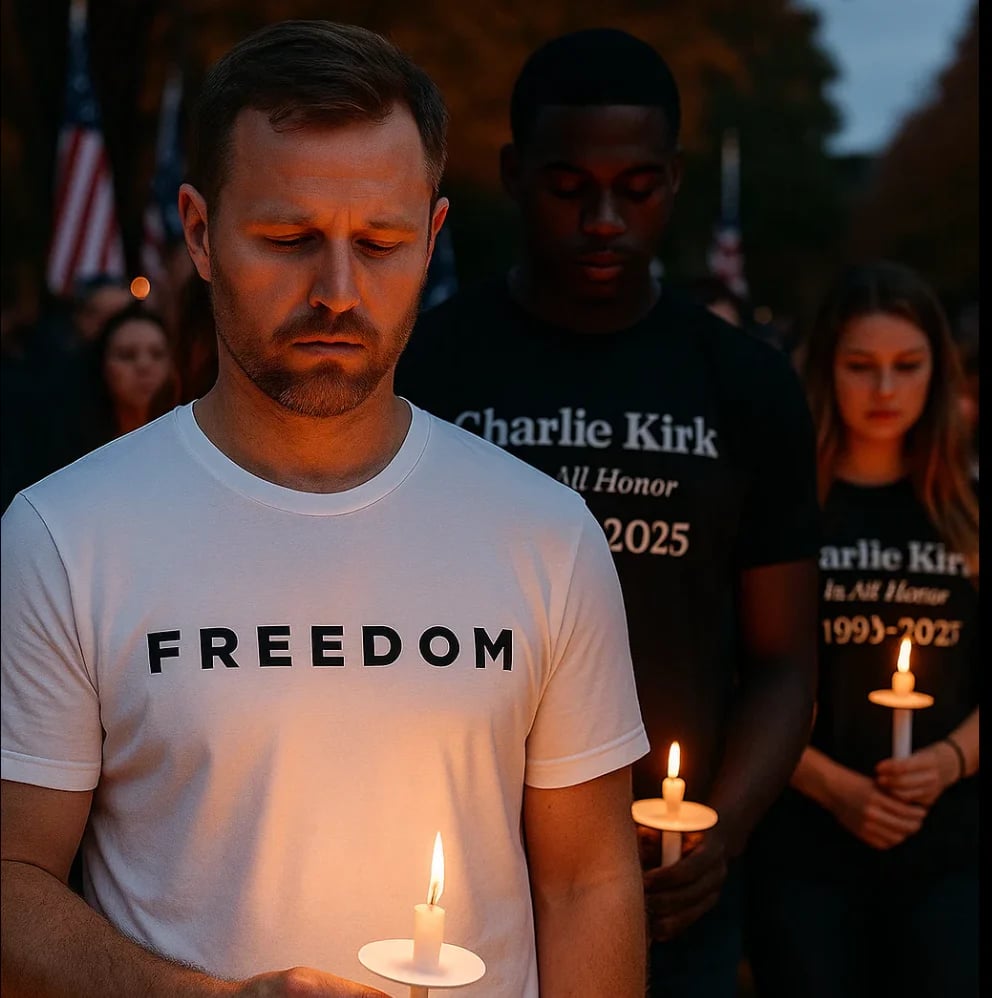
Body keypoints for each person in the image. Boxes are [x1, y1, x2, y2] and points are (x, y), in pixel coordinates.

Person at [0, 21, 650, 998]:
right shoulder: (66, 536)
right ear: (197, 231)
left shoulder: (544, 534)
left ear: (430, 239)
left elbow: (585, 880)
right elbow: (13, 878)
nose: (338, 291)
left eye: (380, 243)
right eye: (289, 238)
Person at [395, 27, 820, 998]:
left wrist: (717, 827)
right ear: (512, 173)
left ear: (672, 180)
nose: (599, 217)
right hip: (450, 868)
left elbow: (784, 658)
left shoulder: (742, 382)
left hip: (666, 879)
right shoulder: (428, 364)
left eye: (635, 187)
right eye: (565, 184)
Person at [745, 260, 979, 998]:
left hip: (950, 852)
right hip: (806, 847)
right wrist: (830, 784)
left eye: (907, 367)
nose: (884, 391)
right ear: (825, 368)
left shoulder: (968, 509)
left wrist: (948, 761)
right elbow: (738, 666)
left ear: (937, 373)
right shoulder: (782, 503)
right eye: (862, 366)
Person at [75, 301, 177, 456]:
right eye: (127, 355)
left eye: (157, 354)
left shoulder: (193, 440)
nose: (144, 366)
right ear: (102, 365)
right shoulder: (79, 451)